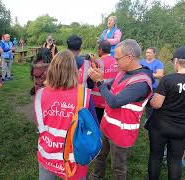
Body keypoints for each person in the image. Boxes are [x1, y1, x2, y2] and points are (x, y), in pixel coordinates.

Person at [89, 39, 153, 180]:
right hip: (106, 125)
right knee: (99, 155)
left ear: (129, 57)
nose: (115, 62)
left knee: (118, 166)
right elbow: (110, 86)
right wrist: (100, 79)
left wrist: (99, 82)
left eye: (117, 59)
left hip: (121, 132)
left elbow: (114, 102)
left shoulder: (141, 82)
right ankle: (95, 177)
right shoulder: (123, 71)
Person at [146, 46, 185, 180]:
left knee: (155, 156)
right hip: (184, 126)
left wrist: (150, 99)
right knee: (175, 159)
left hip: (161, 126)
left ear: (176, 61)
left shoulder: (168, 79)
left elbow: (157, 104)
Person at [34, 50, 98, 180]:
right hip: (74, 158)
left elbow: (40, 122)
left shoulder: (40, 94)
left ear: (52, 69)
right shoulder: (84, 94)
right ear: (74, 70)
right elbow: (93, 127)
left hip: (48, 153)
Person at [91, 41, 118, 124]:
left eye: (98, 49)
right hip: (110, 98)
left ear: (101, 50)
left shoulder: (96, 62)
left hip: (97, 100)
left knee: (96, 122)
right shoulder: (117, 62)